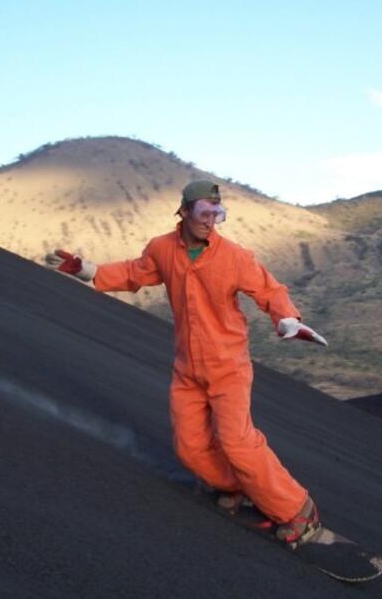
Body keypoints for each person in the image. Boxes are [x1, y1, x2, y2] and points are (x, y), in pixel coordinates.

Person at [45, 180, 328, 544]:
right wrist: (87, 270)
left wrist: (287, 319)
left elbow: (269, 291)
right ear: (185, 211)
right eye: (205, 213)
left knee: (238, 442)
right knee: (190, 448)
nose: (212, 222)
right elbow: (135, 273)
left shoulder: (235, 256)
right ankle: (233, 487)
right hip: (188, 368)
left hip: (228, 366)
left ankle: (297, 512)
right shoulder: (163, 249)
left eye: (218, 215)